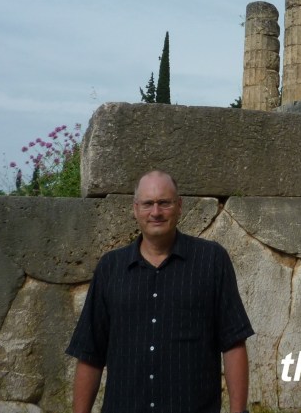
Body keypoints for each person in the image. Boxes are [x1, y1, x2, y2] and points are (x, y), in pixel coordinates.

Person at [66, 170, 254, 413]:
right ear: (135, 209)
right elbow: (90, 353)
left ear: (179, 206)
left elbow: (233, 342)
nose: (156, 212)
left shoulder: (211, 260)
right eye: (148, 204)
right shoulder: (110, 268)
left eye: (164, 203)